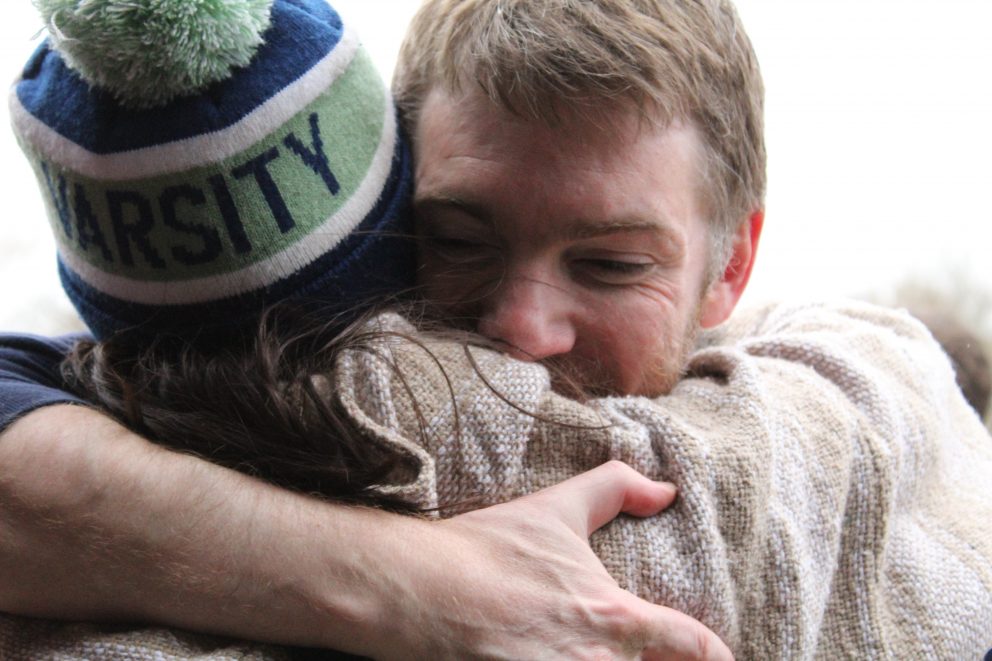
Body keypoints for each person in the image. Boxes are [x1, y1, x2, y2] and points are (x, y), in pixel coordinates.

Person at [3, 0, 991, 658]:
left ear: (729, 265)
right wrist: (417, 583)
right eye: (459, 238)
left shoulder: (848, 447)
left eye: (608, 264)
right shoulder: (228, 398)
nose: (522, 327)